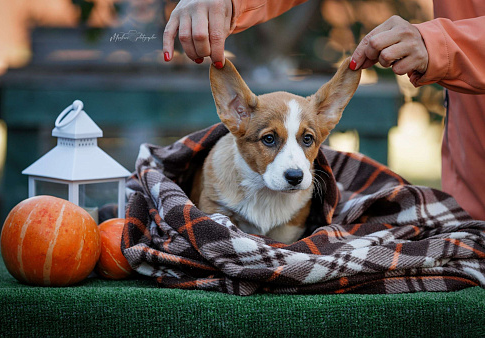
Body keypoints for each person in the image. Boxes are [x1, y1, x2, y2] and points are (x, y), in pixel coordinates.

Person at [162, 0, 485, 221]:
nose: (294, 165)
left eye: (306, 140)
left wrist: (443, 43)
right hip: (471, 190)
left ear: (329, 116)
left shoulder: (308, 193)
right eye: (271, 139)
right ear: (235, 113)